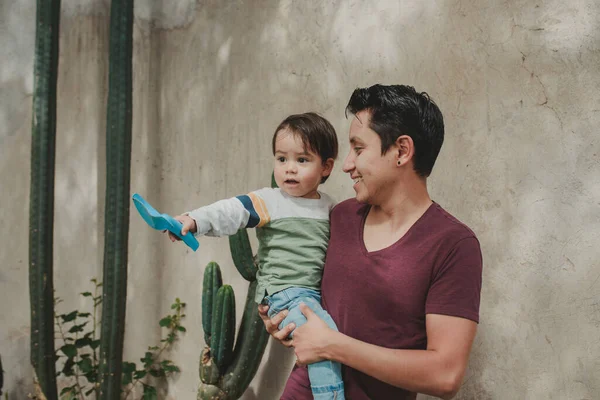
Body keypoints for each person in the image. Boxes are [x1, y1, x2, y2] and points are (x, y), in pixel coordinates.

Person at [259, 84, 483, 400]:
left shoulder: (453, 245)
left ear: (402, 151)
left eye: (359, 149)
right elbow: (302, 290)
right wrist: (281, 315)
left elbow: (445, 375)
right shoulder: (340, 217)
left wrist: (331, 345)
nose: (347, 164)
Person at [168, 112, 346, 400]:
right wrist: (193, 221)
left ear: (326, 167)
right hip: (283, 292)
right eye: (281, 159)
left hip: (310, 295)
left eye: (302, 160)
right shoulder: (270, 200)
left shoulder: (329, 207)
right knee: (323, 341)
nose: (289, 169)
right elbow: (229, 211)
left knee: (330, 342)